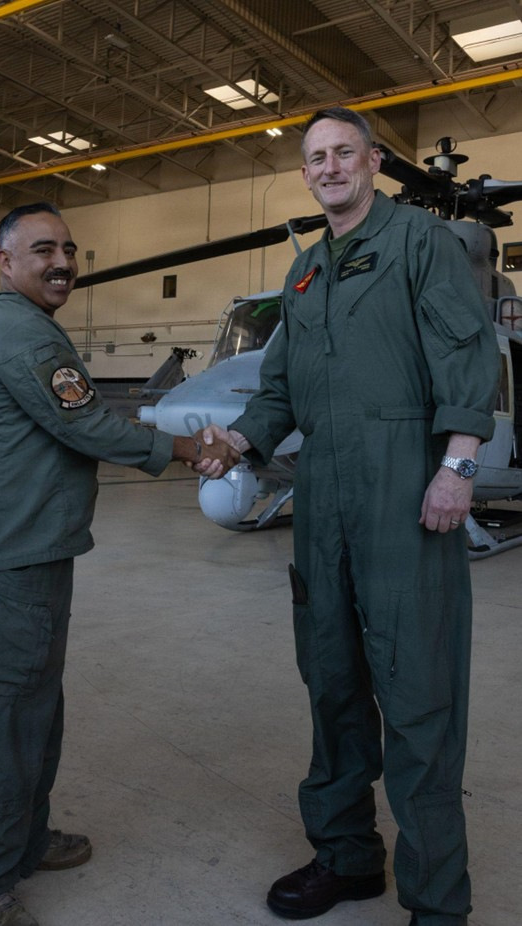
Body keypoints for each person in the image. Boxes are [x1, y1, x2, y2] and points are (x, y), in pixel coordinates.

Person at [203, 108, 501, 925]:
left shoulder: (418, 244)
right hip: (324, 503)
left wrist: (457, 468)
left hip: (405, 498)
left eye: (343, 153)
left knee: (418, 700)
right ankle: (346, 857)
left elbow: (466, 356)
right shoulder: (304, 274)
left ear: (372, 161)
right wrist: (235, 440)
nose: (330, 167)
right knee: (331, 686)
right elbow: (279, 392)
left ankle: (437, 901)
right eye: (315, 159)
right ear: (304, 175)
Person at [0, 201, 239, 926]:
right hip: (13, 559)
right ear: (5, 262)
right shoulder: (19, 329)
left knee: (36, 711)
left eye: (69, 250)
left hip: (31, 548)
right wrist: (184, 448)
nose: (62, 262)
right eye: (43, 249)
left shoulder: (21, 327)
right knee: (9, 718)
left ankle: (24, 839)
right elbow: (83, 423)